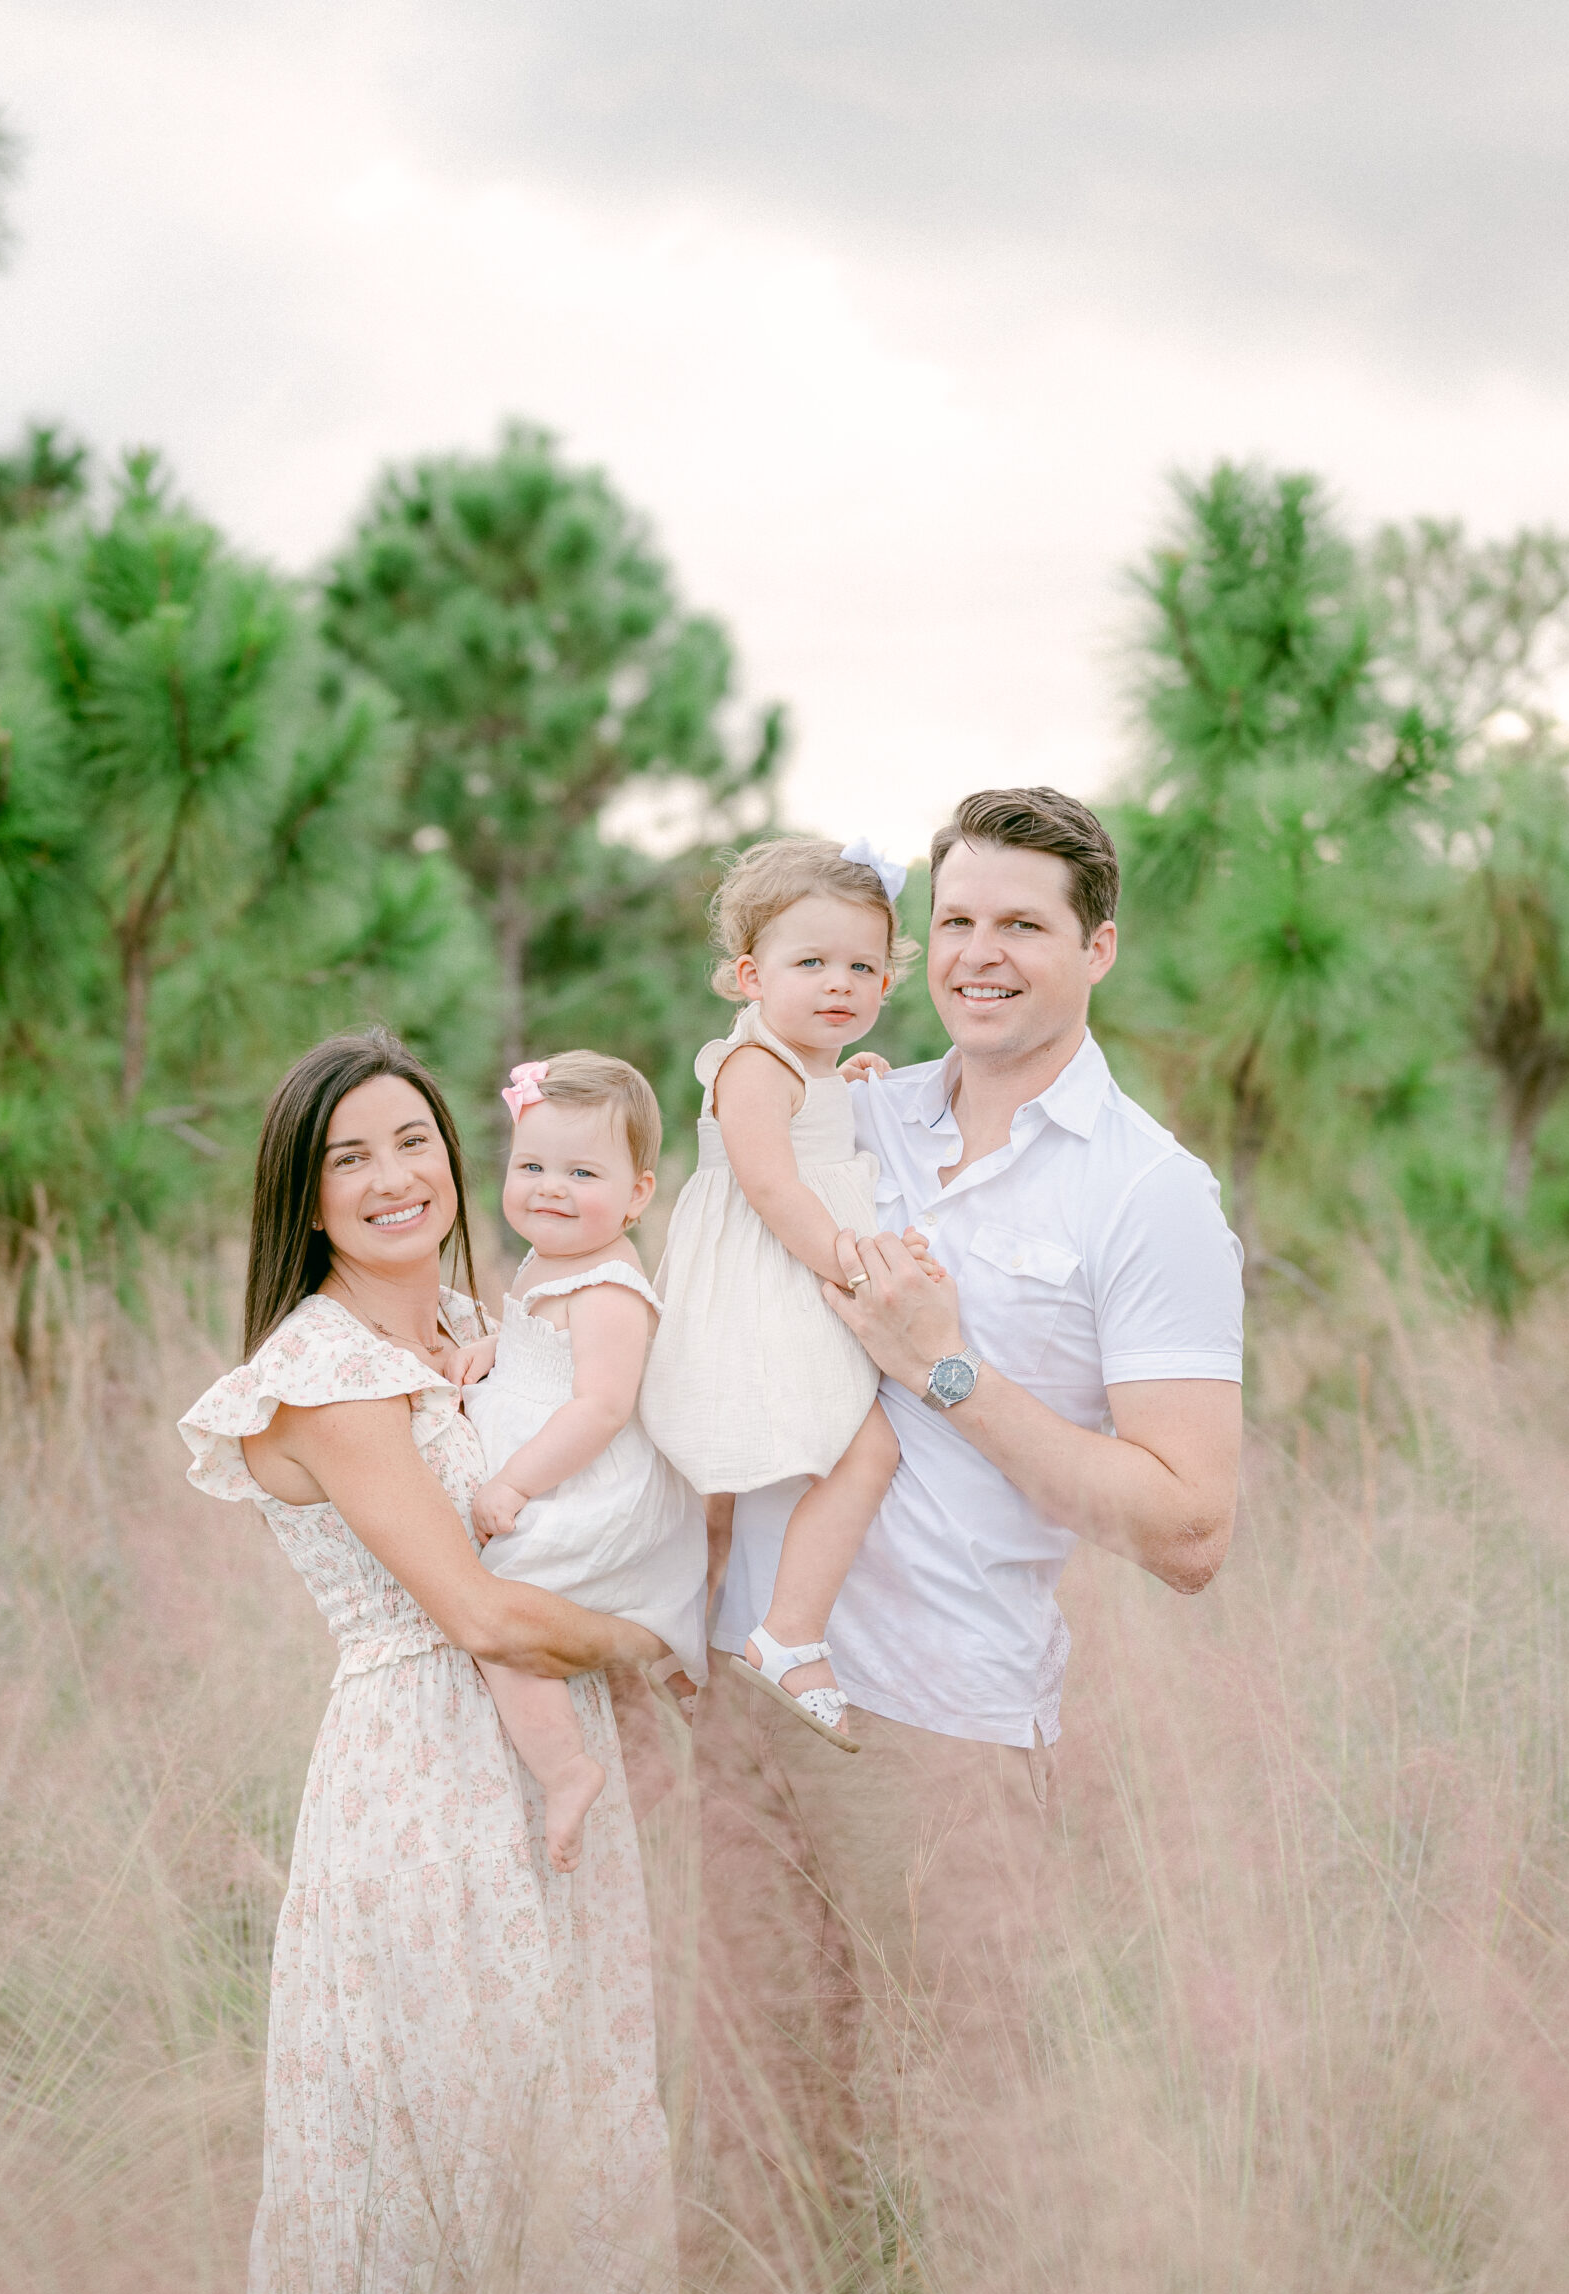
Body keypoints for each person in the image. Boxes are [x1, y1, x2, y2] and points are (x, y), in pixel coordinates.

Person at [699, 786, 1246, 2202]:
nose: (978, 954)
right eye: (954, 922)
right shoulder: (856, 1113)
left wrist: (950, 1374)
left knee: (962, 2145)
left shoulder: (1147, 1194)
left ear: (1099, 948)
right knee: (741, 2130)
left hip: (939, 1732)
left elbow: (1191, 1529)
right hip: (734, 1688)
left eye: (1022, 924)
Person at [176, 1028, 680, 2294]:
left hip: (543, 1761)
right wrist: (647, 1650)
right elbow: (466, 1608)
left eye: (413, 1141)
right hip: (422, 1781)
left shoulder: (483, 1320)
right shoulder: (322, 1371)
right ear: (307, 1200)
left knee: (575, 2123)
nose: (395, 1177)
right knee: (434, 2138)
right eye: (351, 1158)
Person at [640, 835, 925, 1750]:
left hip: (796, 1276)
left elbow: (813, 1135)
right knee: (851, 1446)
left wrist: (846, 1082)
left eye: (862, 966)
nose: (839, 983)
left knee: (826, 1452)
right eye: (811, 963)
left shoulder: (804, 1066)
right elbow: (770, 1186)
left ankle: (744, 1638)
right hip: (772, 1283)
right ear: (748, 978)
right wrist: (852, 1263)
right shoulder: (752, 1067)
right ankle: (781, 1635)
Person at [444, 1051, 706, 1871]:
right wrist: (496, 1343)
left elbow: (599, 1404)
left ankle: (565, 1770)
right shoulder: (546, 1260)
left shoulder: (610, 1288)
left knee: (500, 1614)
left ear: (636, 1195)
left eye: (581, 1172)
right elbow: (541, 1347)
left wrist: (516, 1479)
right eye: (531, 1166)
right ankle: (651, 1749)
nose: (550, 1188)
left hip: (589, 1487)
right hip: (557, 1466)